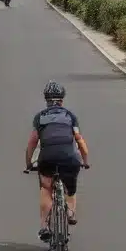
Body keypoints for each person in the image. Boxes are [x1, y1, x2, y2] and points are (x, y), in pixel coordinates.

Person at [24, 81, 90, 242]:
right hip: (69, 158)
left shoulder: (40, 117)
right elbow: (80, 141)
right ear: (62, 99)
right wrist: (85, 160)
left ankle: (45, 226)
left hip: (47, 157)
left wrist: (28, 164)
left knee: (46, 188)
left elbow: (32, 143)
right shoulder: (70, 116)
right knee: (71, 188)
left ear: (46, 99)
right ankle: (70, 213)